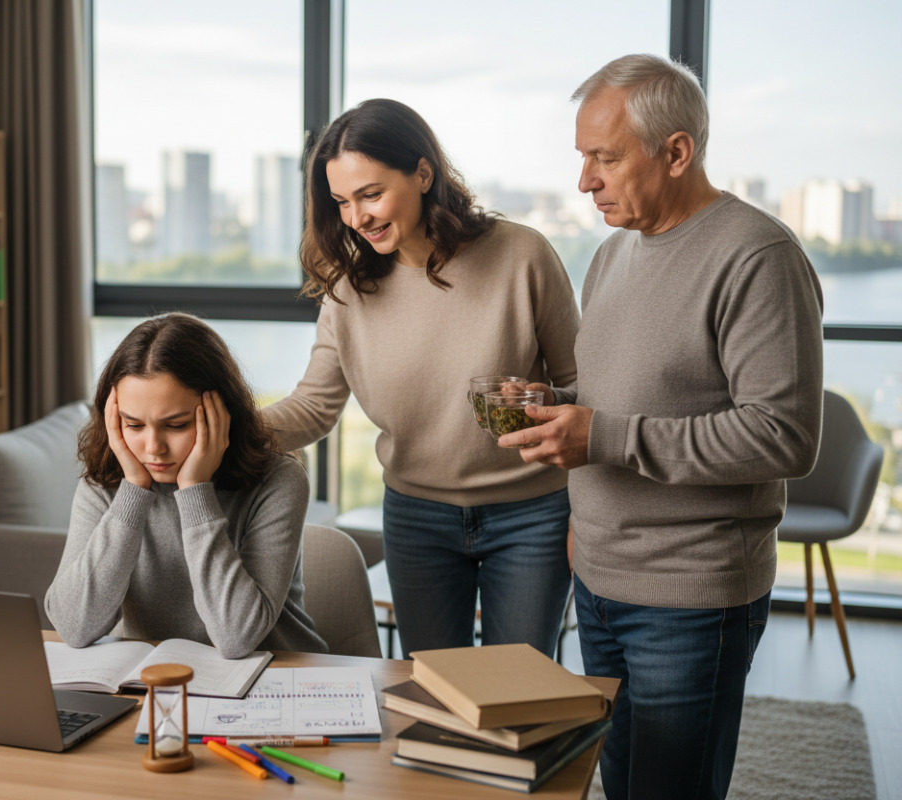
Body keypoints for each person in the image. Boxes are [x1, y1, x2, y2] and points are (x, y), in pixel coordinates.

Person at [498, 54, 824, 799]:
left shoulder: (758, 256)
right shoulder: (612, 255)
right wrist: (555, 402)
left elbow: (785, 434)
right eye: (582, 158)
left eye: (604, 158)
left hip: (691, 594)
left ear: (676, 152)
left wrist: (602, 436)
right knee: (620, 781)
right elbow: (629, 392)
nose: (585, 181)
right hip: (601, 578)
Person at [261, 98, 581, 659]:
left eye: (371, 194)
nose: (356, 218)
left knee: (523, 692)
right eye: (341, 202)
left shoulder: (522, 255)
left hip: (532, 514)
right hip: (415, 516)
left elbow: (584, 388)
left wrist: (540, 399)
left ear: (424, 173)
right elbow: (313, 408)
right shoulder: (348, 286)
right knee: (435, 689)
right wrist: (222, 430)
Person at [45, 312, 327, 659]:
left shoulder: (279, 480)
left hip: (276, 678)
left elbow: (237, 637)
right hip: (159, 682)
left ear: (221, 413)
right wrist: (133, 491)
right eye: (133, 425)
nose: (153, 448)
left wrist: (194, 489)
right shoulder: (106, 485)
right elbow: (73, 627)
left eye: (176, 425)